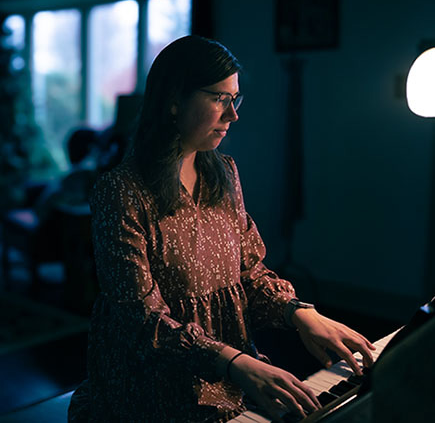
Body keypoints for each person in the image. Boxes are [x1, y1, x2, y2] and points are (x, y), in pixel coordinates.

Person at [68, 35, 375, 422]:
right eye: (219, 99)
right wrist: (235, 363)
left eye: (235, 99)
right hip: (152, 389)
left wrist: (301, 314)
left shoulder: (224, 173)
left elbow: (249, 272)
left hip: (232, 375)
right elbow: (142, 321)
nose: (233, 115)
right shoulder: (121, 191)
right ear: (175, 100)